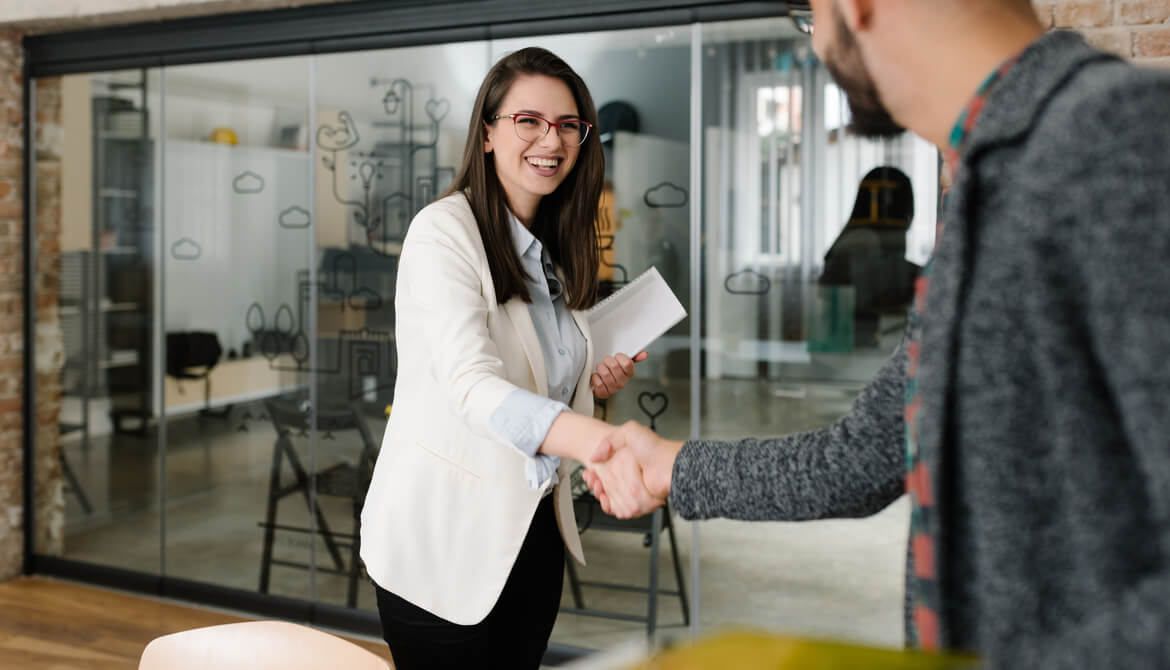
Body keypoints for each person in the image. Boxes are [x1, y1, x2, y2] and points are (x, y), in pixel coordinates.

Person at [585, 0, 1170, 667]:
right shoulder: (985, 190)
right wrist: (675, 466)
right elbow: (861, 460)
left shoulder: (1124, 139)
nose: (820, 43)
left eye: (813, 19)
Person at [360, 47, 650, 669]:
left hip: (530, 530)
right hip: (442, 542)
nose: (552, 139)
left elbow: (539, 378)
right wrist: (598, 440)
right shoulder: (443, 233)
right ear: (487, 132)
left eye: (569, 125)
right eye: (529, 121)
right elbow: (471, 384)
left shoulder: (556, 247)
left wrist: (592, 383)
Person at [818, 165, 919, 347]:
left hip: (855, 345)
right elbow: (876, 294)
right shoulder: (864, 240)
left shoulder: (864, 237)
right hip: (848, 350)